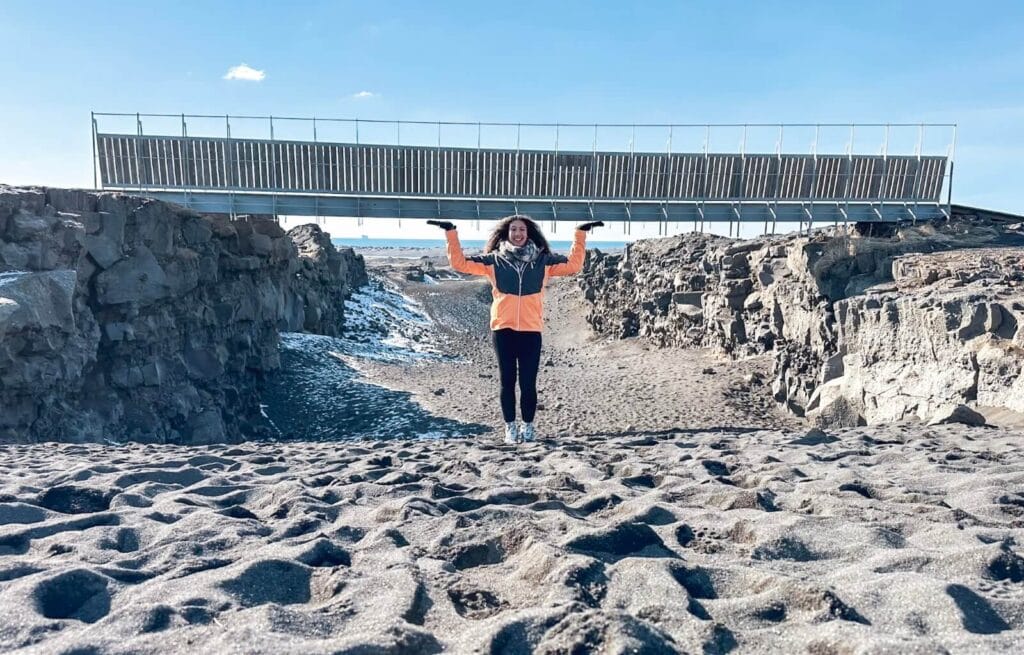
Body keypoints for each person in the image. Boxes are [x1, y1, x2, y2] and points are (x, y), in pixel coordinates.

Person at [427, 215, 603, 444]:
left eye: (522, 229)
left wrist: (580, 233)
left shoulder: (543, 261)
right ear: (506, 234)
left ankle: (528, 427)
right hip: (503, 330)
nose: (518, 233)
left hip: (531, 331)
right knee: (507, 381)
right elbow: (460, 264)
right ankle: (510, 428)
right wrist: (451, 232)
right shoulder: (494, 261)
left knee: (528, 383)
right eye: (513, 230)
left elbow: (573, 265)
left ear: (528, 233)